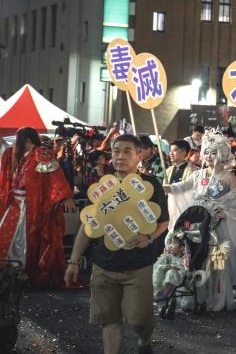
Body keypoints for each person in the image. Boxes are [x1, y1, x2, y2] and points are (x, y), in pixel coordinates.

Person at [64, 134, 169, 354]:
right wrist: (73, 261)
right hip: (104, 264)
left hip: (138, 265)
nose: (120, 156)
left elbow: (164, 221)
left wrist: (148, 238)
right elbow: (88, 225)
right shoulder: (104, 187)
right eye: (116, 151)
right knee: (109, 320)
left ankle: (144, 342)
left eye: (127, 151)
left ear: (139, 155)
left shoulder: (150, 185)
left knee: (139, 320)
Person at [164, 130, 236, 312]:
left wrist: (226, 213)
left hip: (220, 227)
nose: (209, 156)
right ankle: (198, 299)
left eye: (214, 152)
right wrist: (167, 187)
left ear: (223, 154)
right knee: (198, 262)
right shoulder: (197, 175)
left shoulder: (229, 177)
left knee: (218, 264)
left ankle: (217, 300)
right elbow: (182, 187)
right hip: (199, 226)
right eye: (207, 152)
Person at [0, 127, 73, 288]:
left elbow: (55, 176)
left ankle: (23, 272)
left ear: (27, 141)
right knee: (7, 236)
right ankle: (10, 271)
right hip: (17, 204)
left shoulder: (41, 153)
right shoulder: (17, 155)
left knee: (27, 240)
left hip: (31, 206)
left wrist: (65, 196)